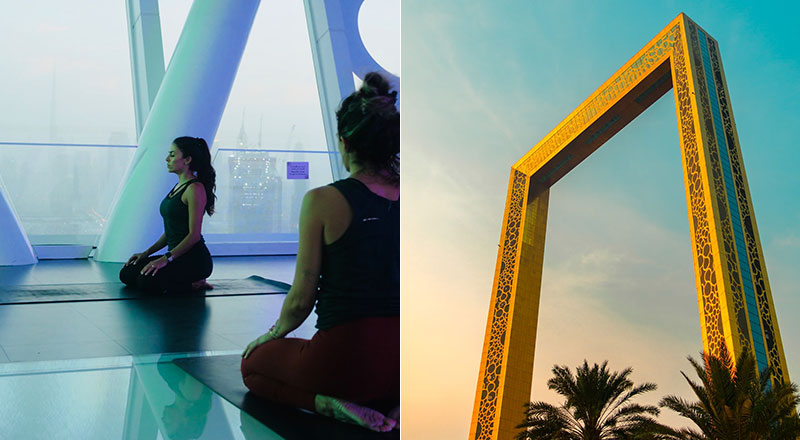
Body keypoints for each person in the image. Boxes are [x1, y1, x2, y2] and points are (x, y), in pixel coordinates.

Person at [240, 72, 400, 432]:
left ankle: (326, 405)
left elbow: (301, 300)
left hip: (342, 363)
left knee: (251, 366)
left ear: (344, 142)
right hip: (404, 367)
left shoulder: (322, 201)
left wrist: (268, 336)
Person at [119, 136, 216, 294]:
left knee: (146, 282)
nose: (167, 159)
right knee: (128, 274)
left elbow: (194, 235)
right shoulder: (178, 186)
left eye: (172, 155)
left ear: (187, 160)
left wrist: (166, 258)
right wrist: (146, 254)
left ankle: (195, 282)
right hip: (175, 256)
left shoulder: (195, 189)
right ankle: (184, 279)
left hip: (194, 260)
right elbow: (171, 231)